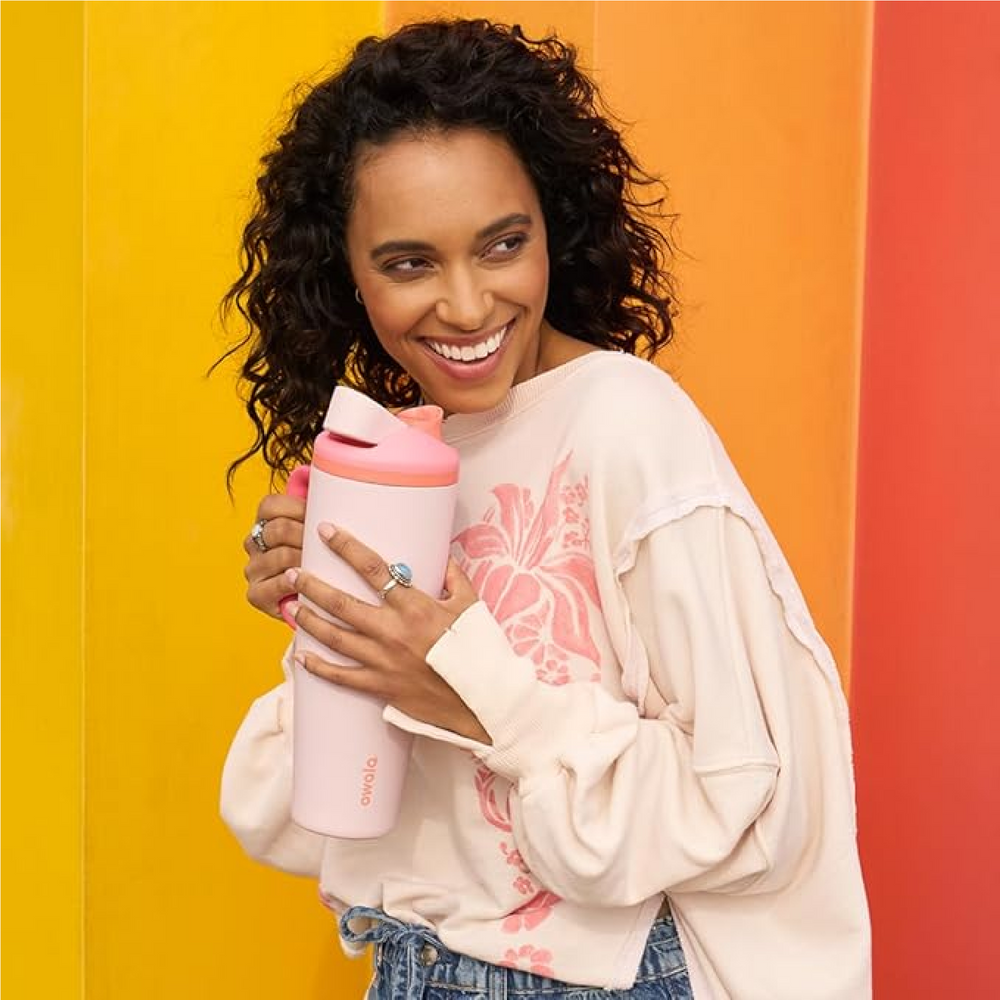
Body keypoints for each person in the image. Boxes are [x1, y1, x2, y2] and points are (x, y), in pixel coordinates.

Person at [218, 19, 871, 1000]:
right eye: (408, 263)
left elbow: (747, 793)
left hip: (598, 978)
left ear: (551, 230)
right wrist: (334, 633)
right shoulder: (405, 452)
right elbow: (317, 821)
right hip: (412, 964)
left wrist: (469, 686)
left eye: (502, 245)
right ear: (343, 271)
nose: (467, 306)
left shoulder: (625, 422)